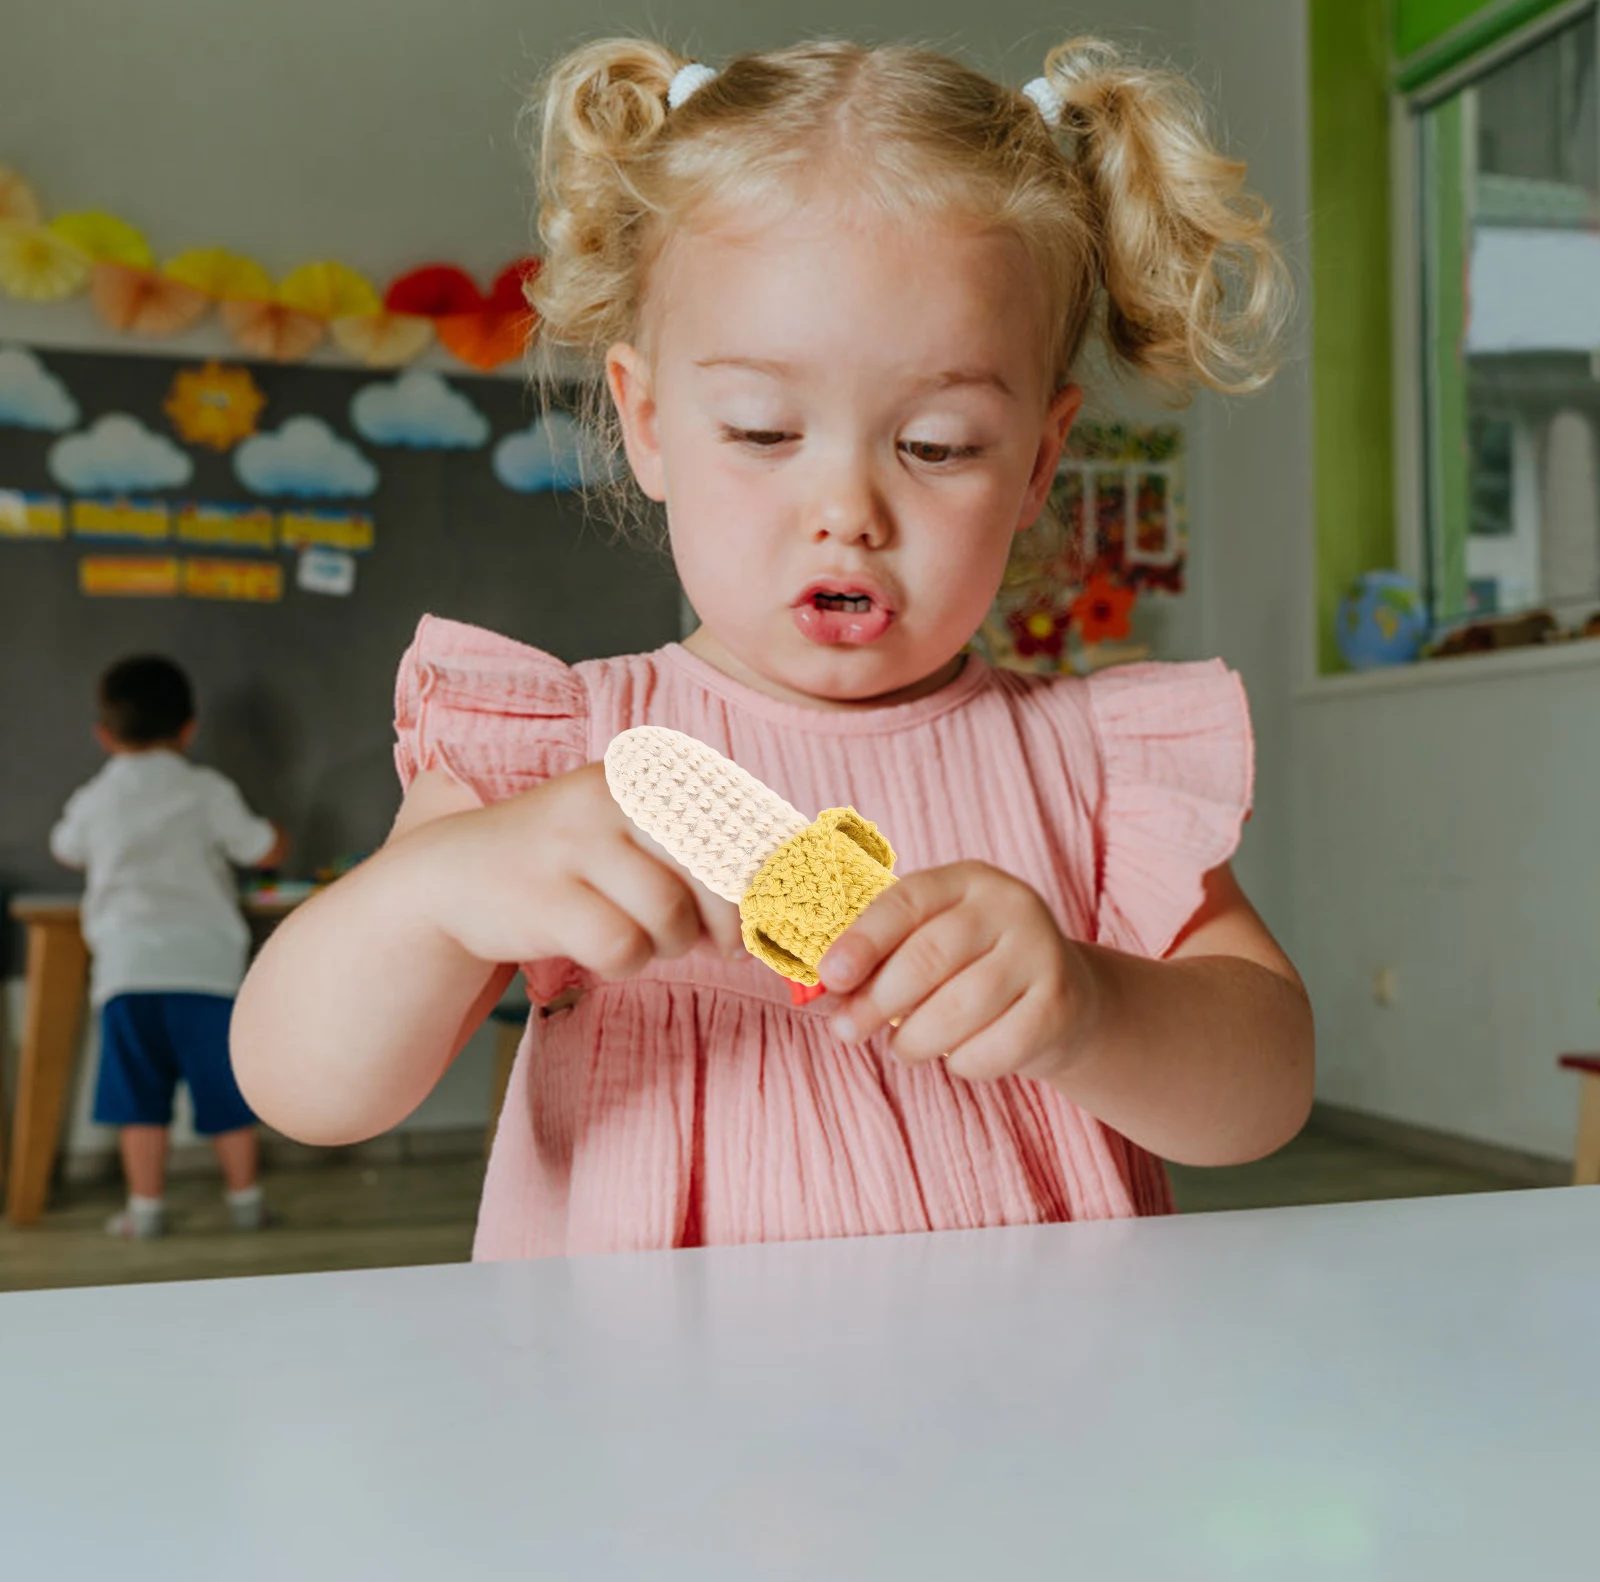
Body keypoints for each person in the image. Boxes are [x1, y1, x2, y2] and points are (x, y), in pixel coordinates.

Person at [234, 36, 1314, 1259]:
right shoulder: (555, 757)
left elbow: (1266, 1088)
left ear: (1038, 464)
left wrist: (1092, 1007)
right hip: (653, 1404)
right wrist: (430, 896)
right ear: (645, 423)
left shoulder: (1093, 764)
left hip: (1029, 1405)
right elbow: (304, 1089)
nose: (846, 507)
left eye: (940, 443)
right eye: (760, 429)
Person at [51, 655, 286, 1238]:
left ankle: (146, 1209)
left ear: (104, 734)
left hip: (128, 972)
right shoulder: (207, 790)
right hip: (206, 967)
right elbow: (261, 849)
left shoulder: (95, 796)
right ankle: (246, 1200)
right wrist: (277, 836)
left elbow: (65, 847)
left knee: (139, 1098)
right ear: (189, 728)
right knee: (226, 1090)